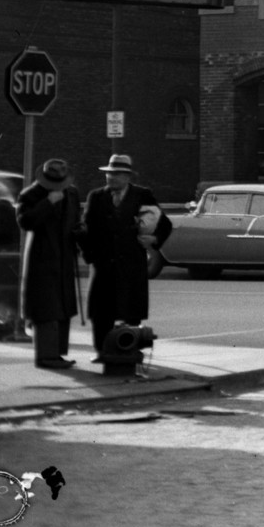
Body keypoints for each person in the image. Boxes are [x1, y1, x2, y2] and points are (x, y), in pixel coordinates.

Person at [78, 154, 170, 368]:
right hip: (103, 264)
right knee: (102, 312)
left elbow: (164, 224)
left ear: (127, 177)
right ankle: (101, 350)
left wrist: (155, 239)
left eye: (116, 174)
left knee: (131, 309)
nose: (111, 178)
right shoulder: (96, 196)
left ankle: (131, 349)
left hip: (131, 263)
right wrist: (89, 254)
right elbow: (85, 229)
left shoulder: (142, 195)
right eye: (109, 174)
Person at [16, 160, 82, 370]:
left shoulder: (71, 193)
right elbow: (25, 222)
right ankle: (45, 356)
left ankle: (58, 353)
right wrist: (48, 203)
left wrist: (80, 236)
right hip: (42, 259)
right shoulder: (30, 194)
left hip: (64, 257)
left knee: (63, 306)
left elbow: (76, 220)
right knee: (46, 309)